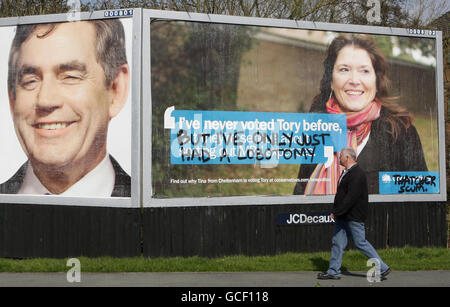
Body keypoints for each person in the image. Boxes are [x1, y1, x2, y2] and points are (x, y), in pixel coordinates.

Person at [0, 19, 131, 197]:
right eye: (30, 81)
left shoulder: (158, 214)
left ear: (116, 89)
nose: (46, 100)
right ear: (12, 99)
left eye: (70, 76)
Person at [294, 34, 427, 195]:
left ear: (376, 81)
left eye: (364, 71)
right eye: (344, 69)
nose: (354, 80)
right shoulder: (317, 126)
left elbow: (420, 201)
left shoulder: (400, 132)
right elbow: (300, 191)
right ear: (331, 80)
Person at [317, 147, 390, 280]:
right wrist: (338, 212)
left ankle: (383, 268)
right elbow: (342, 195)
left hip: (353, 217)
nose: (339, 158)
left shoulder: (357, 174)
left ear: (347, 158)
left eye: (341, 156)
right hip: (343, 216)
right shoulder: (347, 172)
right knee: (337, 243)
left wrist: (337, 211)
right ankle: (333, 271)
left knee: (360, 243)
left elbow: (351, 197)